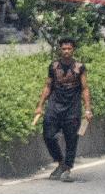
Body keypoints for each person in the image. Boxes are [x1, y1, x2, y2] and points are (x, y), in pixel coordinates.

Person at [33, 37, 91, 181]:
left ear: (73, 50)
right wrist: (40, 105)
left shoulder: (79, 67)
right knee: (48, 135)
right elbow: (48, 86)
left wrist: (88, 109)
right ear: (60, 49)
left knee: (71, 140)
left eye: (69, 49)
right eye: (63, 49)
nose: (66, 51)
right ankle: (61, 162)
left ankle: (67, 169)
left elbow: (85, 89)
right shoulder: (53, 66)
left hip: (72, 108)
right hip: (54, 106)